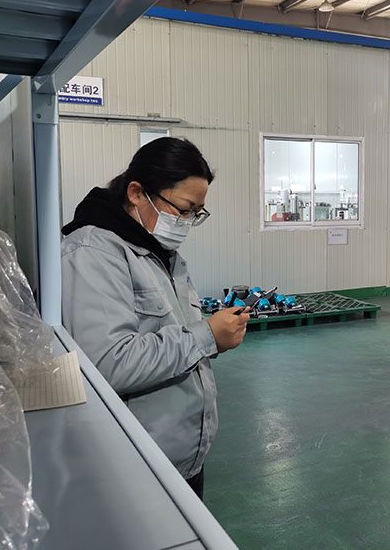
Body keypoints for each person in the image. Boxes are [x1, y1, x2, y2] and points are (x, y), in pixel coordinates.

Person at [61, 137, 250, 499]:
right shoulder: (93, 253)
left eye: (197, 213)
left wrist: (214, 335)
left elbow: (170, 332)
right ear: (136, 193)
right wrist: (206, 336)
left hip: (181, 459)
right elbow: (108, 364)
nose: (186, 222)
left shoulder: (163, 253)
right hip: (133, 465)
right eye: (183, 209)